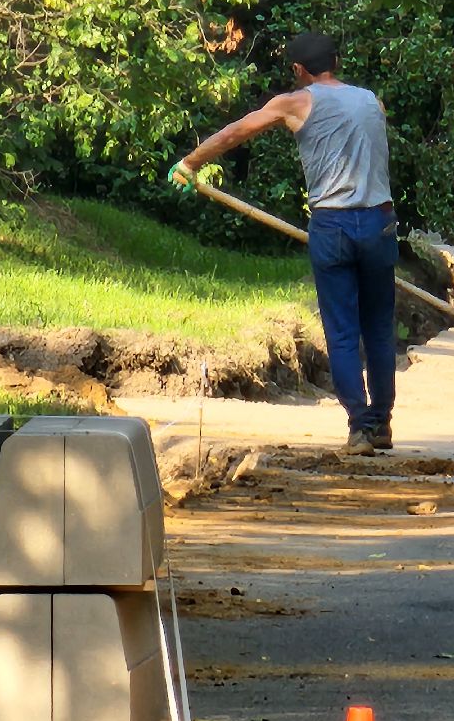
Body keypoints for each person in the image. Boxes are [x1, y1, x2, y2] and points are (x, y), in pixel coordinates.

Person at [168, 32, 397, 457]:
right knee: (379, 327)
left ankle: (361, 429)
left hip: (334, 226)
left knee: (343, 331)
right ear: (337, 61)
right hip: (381, 223)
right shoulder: (371, 100)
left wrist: (190, 162)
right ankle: (382, 422)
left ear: (298, 70)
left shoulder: (296, 102)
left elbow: (237, 131)